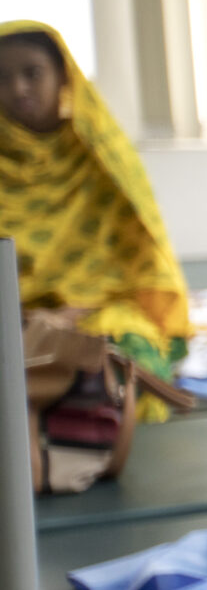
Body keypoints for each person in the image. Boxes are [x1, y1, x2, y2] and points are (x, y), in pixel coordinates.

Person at [0, 22, 191, 397]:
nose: (18, 88)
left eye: (32, 73)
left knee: (127, 358)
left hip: (95, 311)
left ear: (63, 76)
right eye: (3, 77)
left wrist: (65, 316)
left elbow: (137, 264)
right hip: (13, 320)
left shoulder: (103, 154)